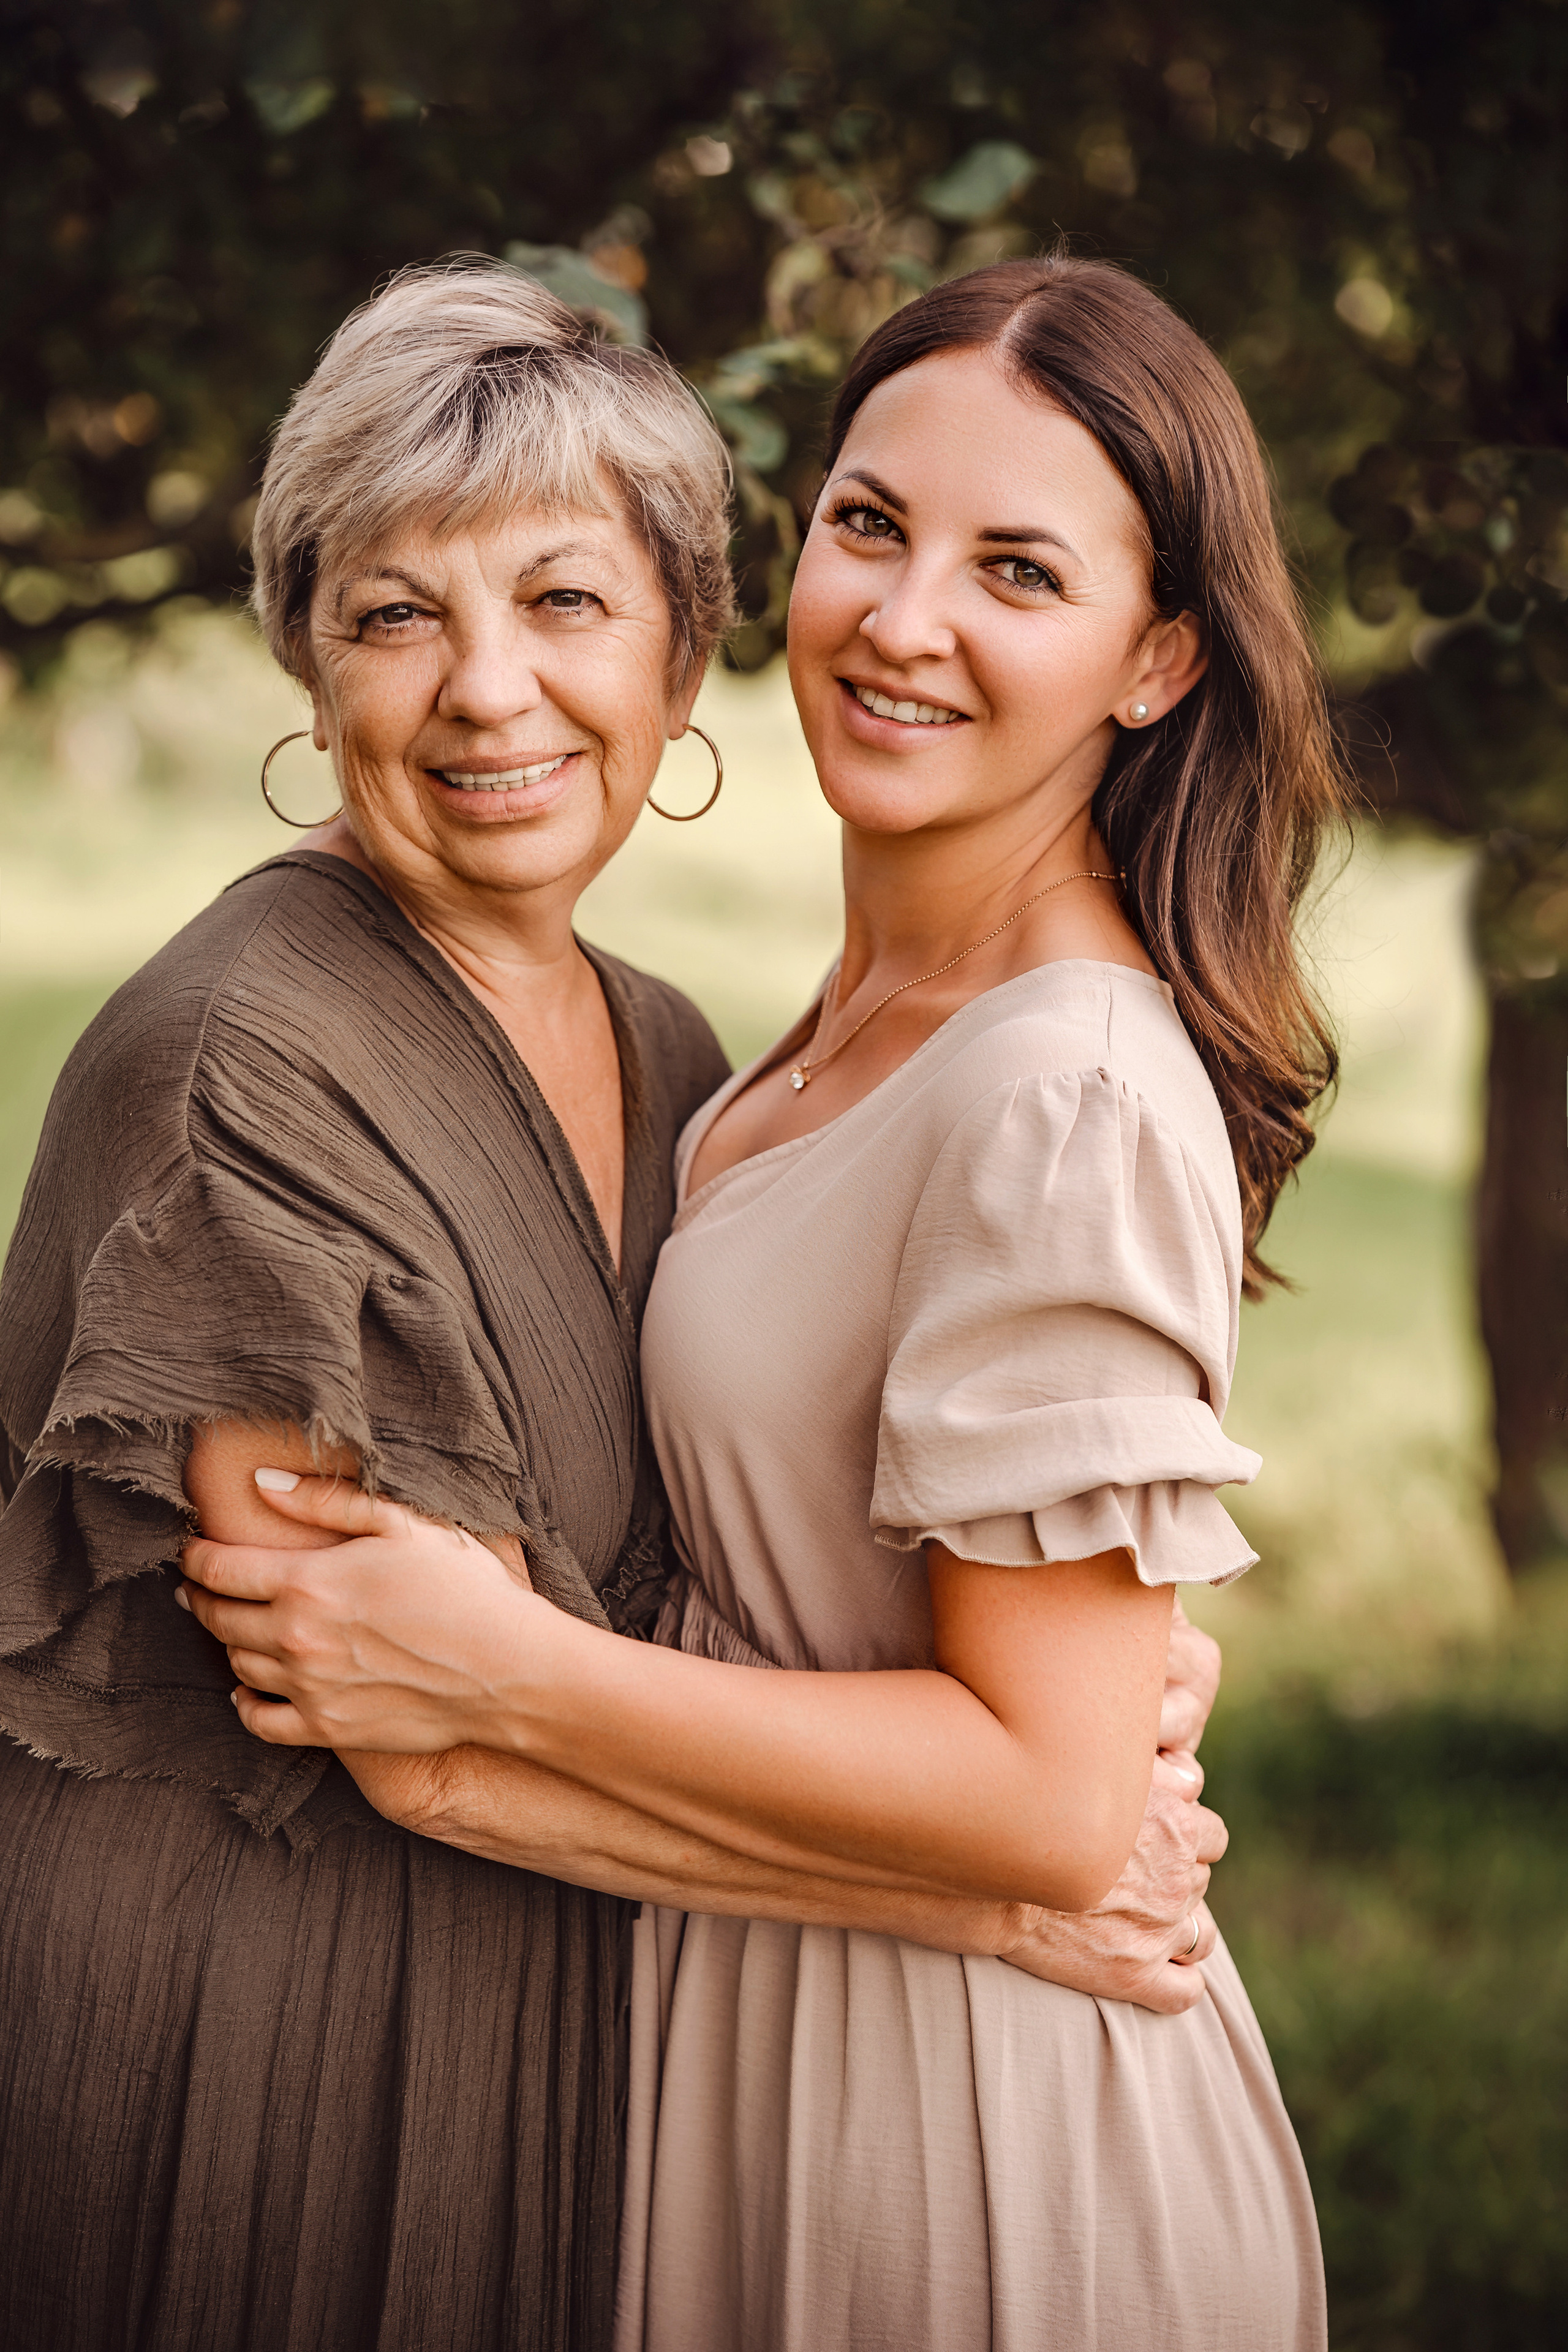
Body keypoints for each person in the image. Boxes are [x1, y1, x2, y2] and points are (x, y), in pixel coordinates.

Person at [0, 258, 1224, 2352]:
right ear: (309, 667)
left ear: (682, 650)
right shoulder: (240, 1063)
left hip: (592, 2020)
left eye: (565, 601)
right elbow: (401, 1726)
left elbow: (679, 1593)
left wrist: (1090, 1714)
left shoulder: (684, 1060)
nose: (489, 693)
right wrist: (1004, 1877)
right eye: (397, 613)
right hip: (269, 2038)